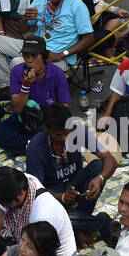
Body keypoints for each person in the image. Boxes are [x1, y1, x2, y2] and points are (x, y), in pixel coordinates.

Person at [25, 103, 119, 244]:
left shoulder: (78, 131)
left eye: (67, 133)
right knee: (49, 217)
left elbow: (110, 159)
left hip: (75, 186)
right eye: (58, 134)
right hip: (52, 195)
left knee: (99, 166)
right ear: (47, 129)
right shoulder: (35, 147)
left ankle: (79, 223)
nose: (64, 138)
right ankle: (100, 223)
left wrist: (99, 179)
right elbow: (35, 190)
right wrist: (61, 197)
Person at [0, 167, 78, 256]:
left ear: (20, 194)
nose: (4, 206)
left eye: (6, 203)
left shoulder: (42, 216)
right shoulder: (20, 182)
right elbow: (2, 209)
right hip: (28, 243)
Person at [0, 37, 71, 156]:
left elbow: (64, 108)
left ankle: (35, 145)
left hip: (48, 119)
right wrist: (26, 85)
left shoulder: (57, 73)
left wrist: (48, 125)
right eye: (26, 55)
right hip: (25, 116)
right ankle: (38, 145)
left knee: (60, 132)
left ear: (43, 56)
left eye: (34, 56)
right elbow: (18, 108)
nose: (29, 60)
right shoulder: (17, 72)